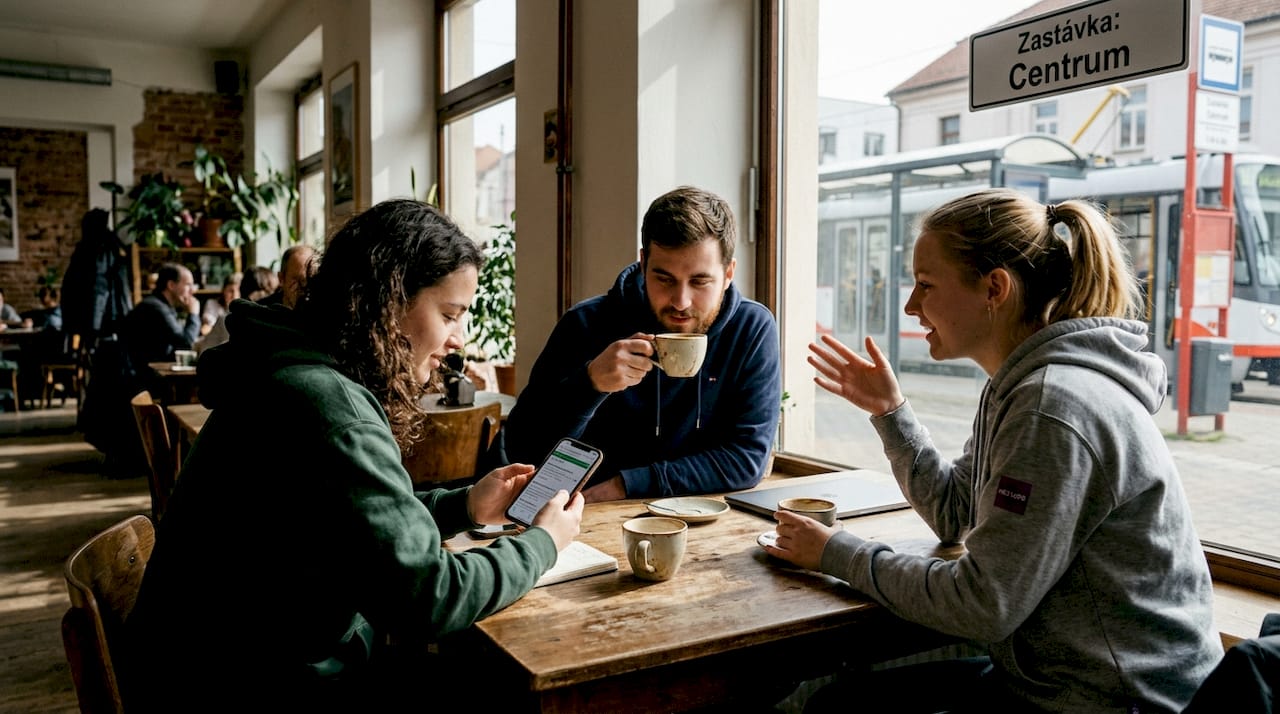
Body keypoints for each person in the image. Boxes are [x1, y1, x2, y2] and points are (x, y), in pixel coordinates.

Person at [770, 188, 1222, 713]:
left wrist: (834, 552)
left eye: (925, 285)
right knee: (845, 702)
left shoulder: (1050, 406)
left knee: (840, 708)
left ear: (994, 288)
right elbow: (955, 513)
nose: (910, 306)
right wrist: (890, 413)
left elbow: (984, 604)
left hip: (1115, 703)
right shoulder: (1020, 388)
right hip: (1057, 685)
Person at [125, 198, 584, 711]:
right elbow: (430, 598)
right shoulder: (329, 406)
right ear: (388, 302)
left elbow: (353, 526)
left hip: (217, 662)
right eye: (450, 314)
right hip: (247, 683)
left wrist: (466, 507)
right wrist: (543, 543)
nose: (460, 338)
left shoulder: (294, 369)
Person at [501, 185, 781, 502]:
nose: (680, 301)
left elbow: (746, 460)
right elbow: (522, 450)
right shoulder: (585, 324)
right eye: (664, 278)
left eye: (700, 281)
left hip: (698, 518)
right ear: (643, 263)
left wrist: (626, 484)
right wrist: (590, 384)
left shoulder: (751, 330)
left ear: (728, 273)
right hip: (585, 518)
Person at [120, 262, 200, 372]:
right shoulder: (155, 307)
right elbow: (185, 343)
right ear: (171, 285)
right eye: (188, 285)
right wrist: (194, 314)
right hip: (138, 379)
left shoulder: (162, 305)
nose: (192, 290)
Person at [259, 243, 317, 308]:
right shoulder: (261, 312)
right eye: (298, 280)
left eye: (310, 279)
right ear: (281, 279)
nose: (304, 287)